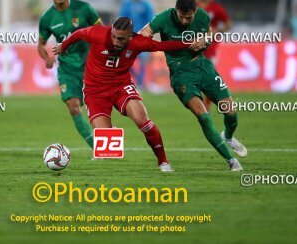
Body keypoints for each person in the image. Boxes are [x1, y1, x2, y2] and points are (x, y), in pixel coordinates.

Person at [53, 17, 198, 172]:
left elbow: (162, 45)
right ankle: (110, 131)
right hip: (95, 91)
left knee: (143, 121)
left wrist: (189, 44)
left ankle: (163, 162)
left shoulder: (138, 42)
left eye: (121, 39)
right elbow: (80, 33)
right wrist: (63, 45)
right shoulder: (98, 33)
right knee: (107, 147)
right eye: (113, 36)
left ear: (130, 36)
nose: (115, 41)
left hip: (121, 86)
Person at [140, 0, 246, 171]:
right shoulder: (164, 18)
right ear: (176, 11)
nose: (183, 20)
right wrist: (148, 40)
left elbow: (210, 33)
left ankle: (228, 136)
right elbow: (145, 32)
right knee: (204, 116)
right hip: (181, 74)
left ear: (195, 12)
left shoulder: (203, 16)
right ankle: (231, 161)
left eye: (188, 17)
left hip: (203, 67)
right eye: (181, 16)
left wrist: (205, 40)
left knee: (231, 112)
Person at [37, 0, 102, 149]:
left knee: (98, 108)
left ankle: (106, 143)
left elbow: (102, 31)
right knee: (73, 107)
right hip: (67, 68)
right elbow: (41, 45)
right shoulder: (47, 19)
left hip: (90, 66)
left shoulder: (83, 9)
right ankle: (96, 148)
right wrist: (46, 58)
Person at [195, 0, 232, 109]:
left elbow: (228, 25)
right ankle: (199, 101)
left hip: (211, 46)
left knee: (209, 75)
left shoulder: (216, 7)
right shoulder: (192, 7)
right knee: (196, 75)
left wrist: (218, 30)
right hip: (194, 46)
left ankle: (206, 103)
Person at [118, 0, 155, 89]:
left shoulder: (146, 4)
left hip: (142, 38)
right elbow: (121, 19)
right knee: (125, 59)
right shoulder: (127, 3)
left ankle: (140, 84)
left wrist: (148, 35)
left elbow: (151, 21)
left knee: (143, 61)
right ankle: (133, 78)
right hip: (128, 38)